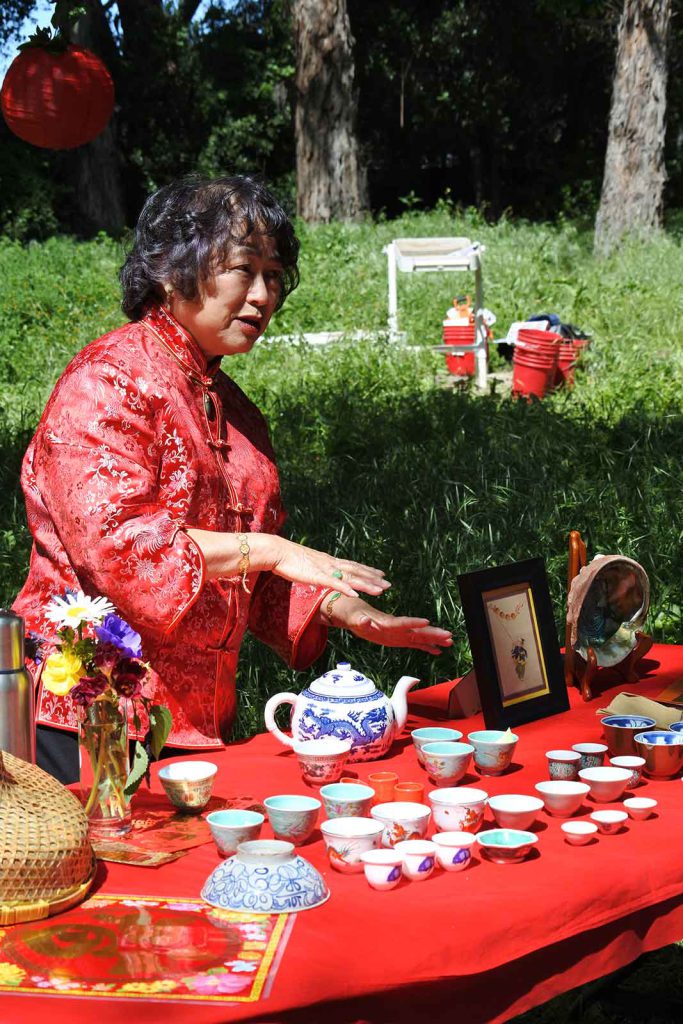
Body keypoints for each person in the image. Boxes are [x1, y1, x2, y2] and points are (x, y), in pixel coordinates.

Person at [13, 174, 452, 783]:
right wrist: (270, 550)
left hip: (197, 727)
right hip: (85, 720)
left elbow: (257, 574)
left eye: (274, 275)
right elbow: (119, 548)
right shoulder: (107, 382)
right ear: (171, 271)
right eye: (244, 269)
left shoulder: (236, 409)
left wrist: (343, 610)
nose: (264, 295)